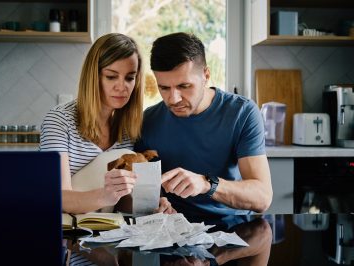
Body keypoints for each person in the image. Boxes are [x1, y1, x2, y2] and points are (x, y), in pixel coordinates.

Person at [135, 32, 273, 222]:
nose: (173, 99)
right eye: (164, 88)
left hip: (233, 229)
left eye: (184, 86)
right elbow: (143, 191)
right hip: (173, 231)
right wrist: (155, 202)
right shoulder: (148, 120)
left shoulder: (242, 112)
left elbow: (262, 198)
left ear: (206, 76)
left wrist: (207, 184)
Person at [40, 33, 174, 215]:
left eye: (129, 78)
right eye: (111, 77)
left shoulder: (128, 129)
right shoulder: (59, 121)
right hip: (66, 231)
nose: (122, 86)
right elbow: (56, 198)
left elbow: (120, 203)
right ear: (93, 77)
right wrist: (104, 196)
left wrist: (151, 205)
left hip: (107, 232)